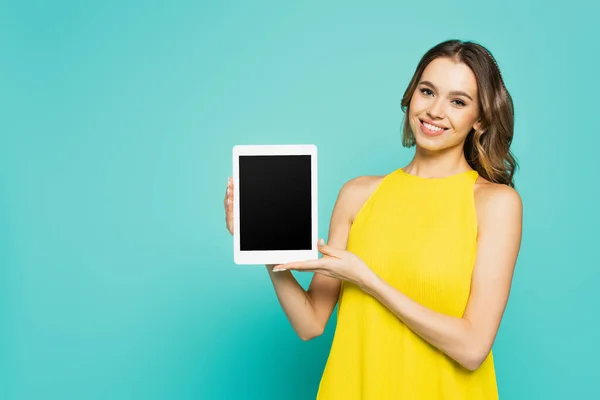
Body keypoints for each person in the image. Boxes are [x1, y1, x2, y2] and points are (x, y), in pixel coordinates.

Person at [223, 39, 523, 399]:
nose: (435, 111)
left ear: (480, 120)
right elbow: (310, 323)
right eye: (427, 92)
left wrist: (368, 281)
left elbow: (473, 349)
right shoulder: (358, 194)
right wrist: (263, 244)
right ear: (411, 95)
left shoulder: (495, 204)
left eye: (458, 101)